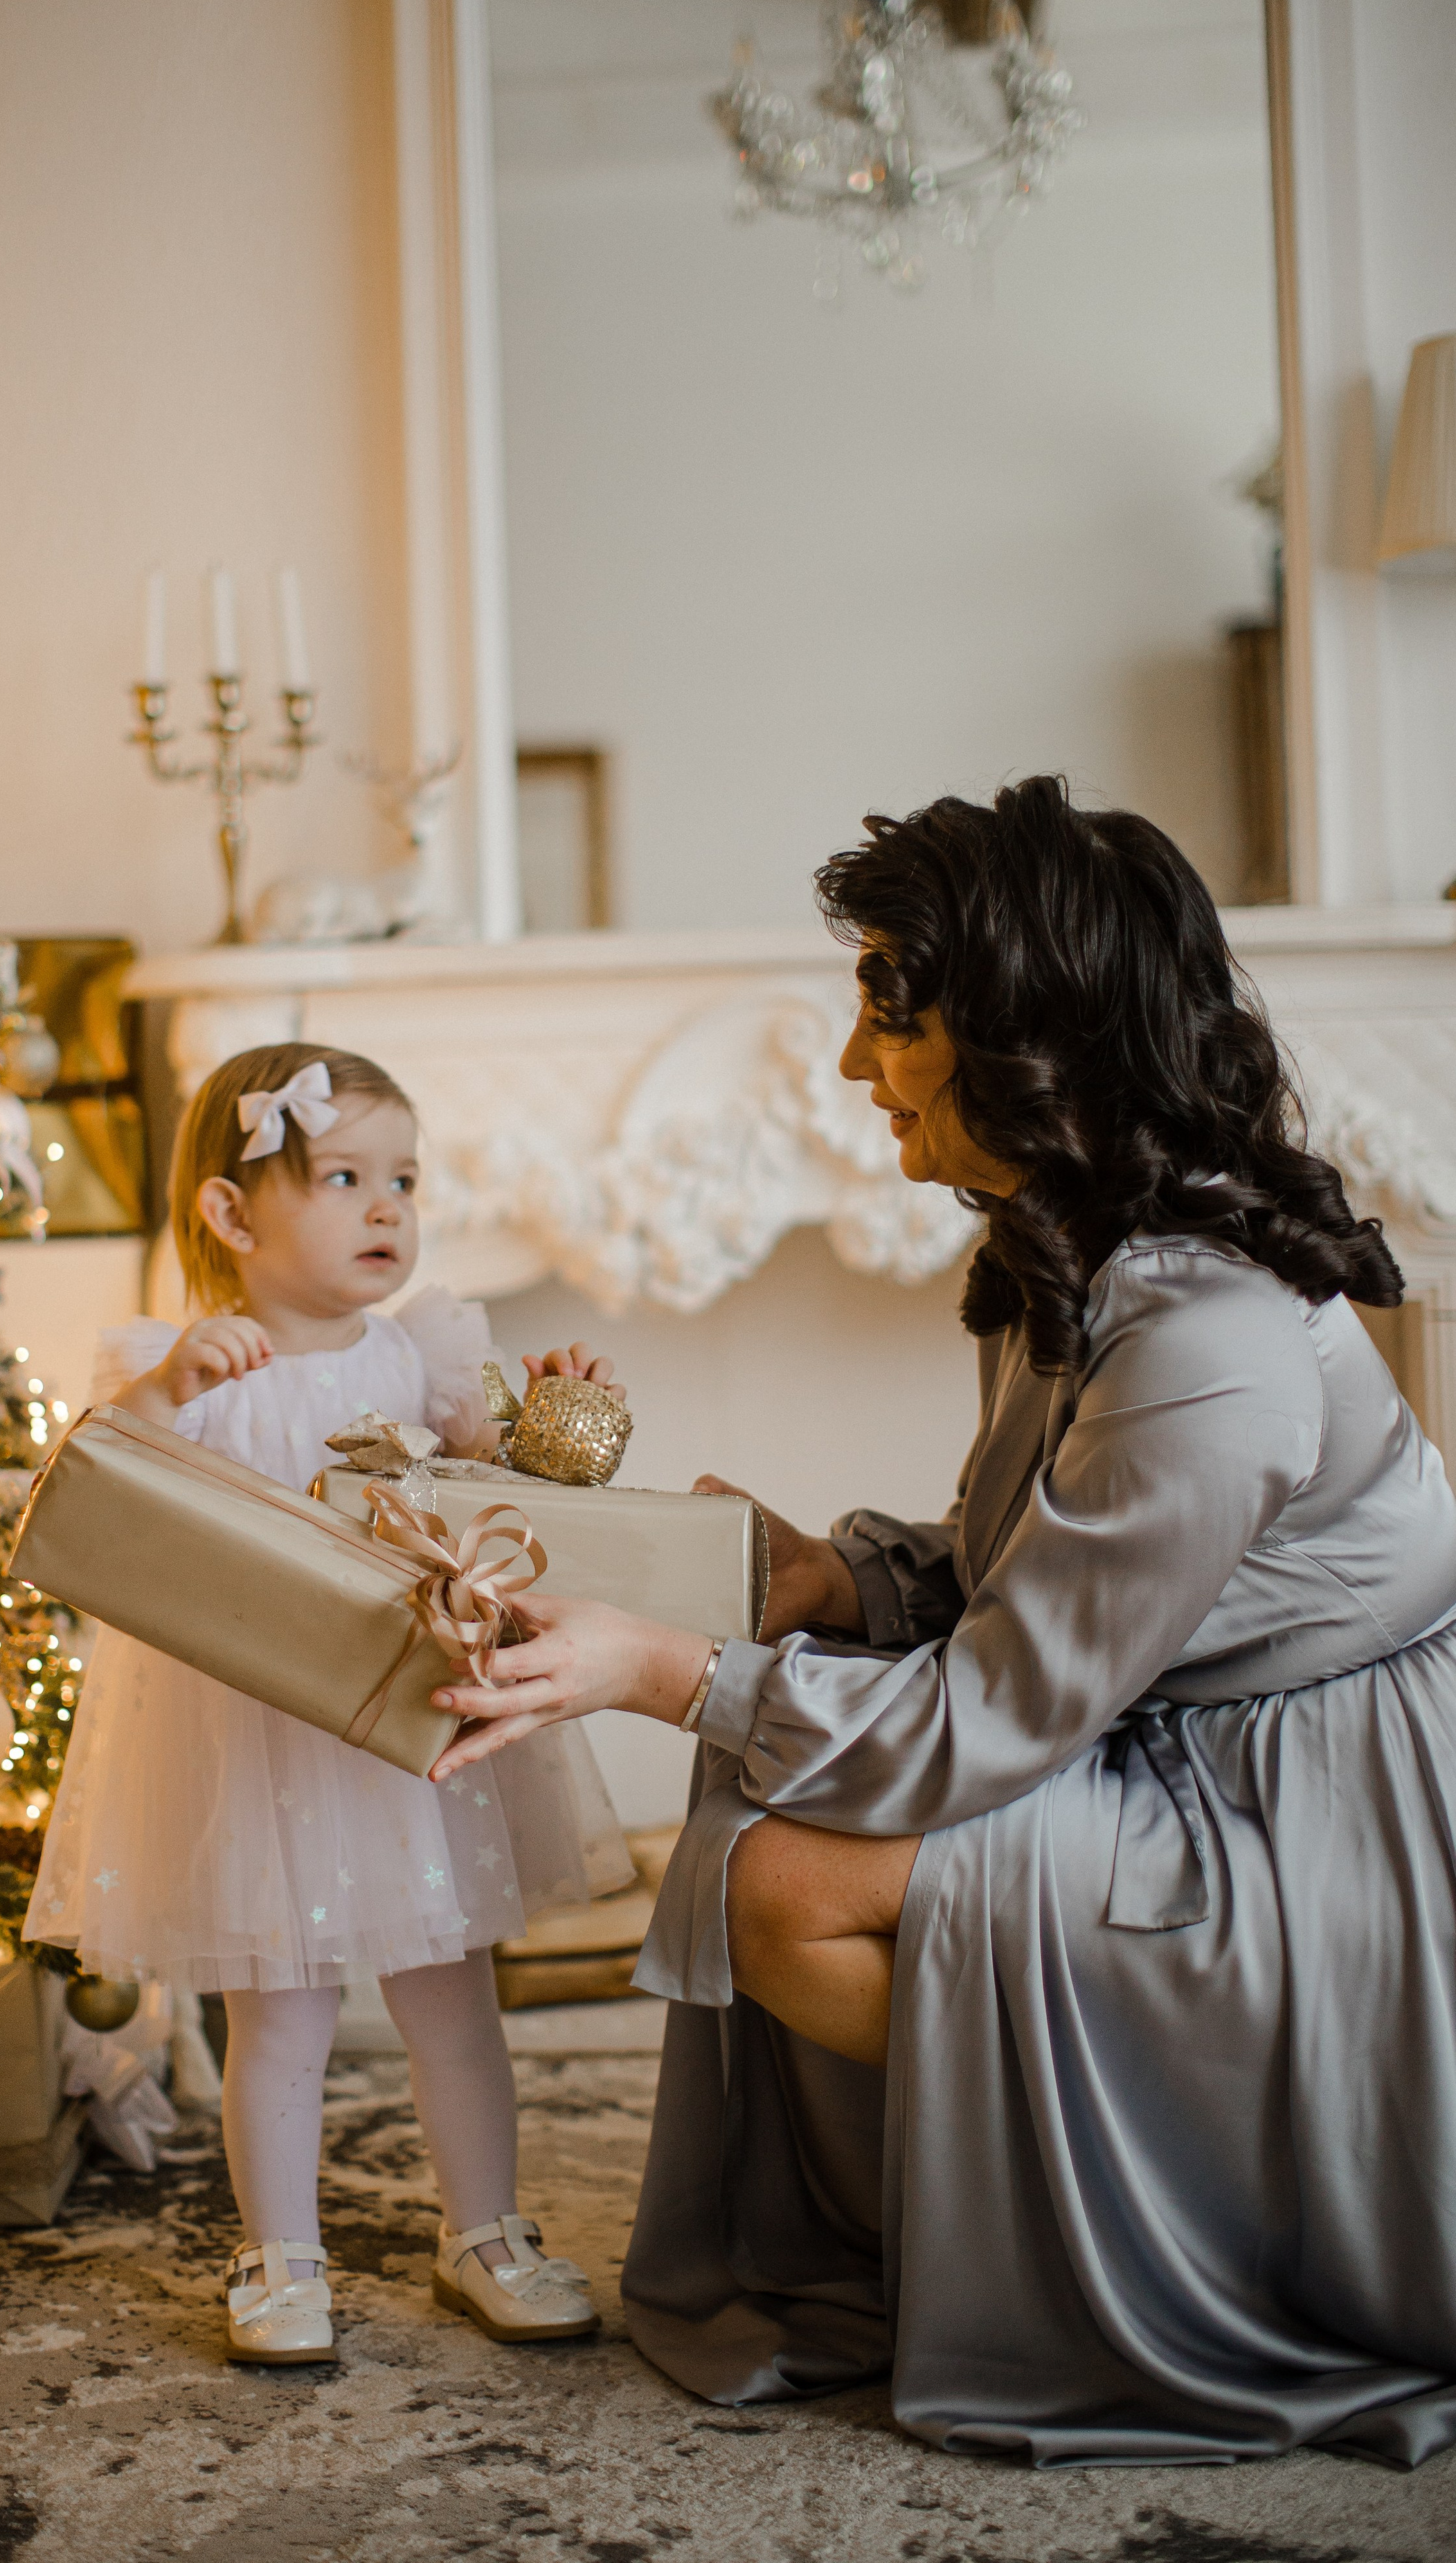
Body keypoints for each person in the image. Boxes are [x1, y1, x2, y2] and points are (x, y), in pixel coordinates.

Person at [426, 777, 1456, 2466]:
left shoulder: (1208, 1338)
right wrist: (832, 1582)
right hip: (1176, 1729)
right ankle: (1032, 2206)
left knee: (790, 1883)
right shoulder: (1085, 1232)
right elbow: (1047, 1569)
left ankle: (1143, 2223)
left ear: (1020, 1033)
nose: (853, 1070)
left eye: (887, 1023)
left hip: (1314, 1810)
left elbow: (998, 1713)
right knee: (783, 1789)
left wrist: (662, 1672)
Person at [26, 1042, 630, 2366]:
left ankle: (485, 2232)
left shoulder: (420, 1359)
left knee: (452, 1998)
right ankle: (281, 2256)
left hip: (405, 1733)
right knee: (282, 2017)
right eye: (345, 1176)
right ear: (234, 1217)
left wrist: (551, 1410)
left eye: (402, 1178)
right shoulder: (185, 1370)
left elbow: (499, 1488)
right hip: (255, 1746)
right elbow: (96, 1484)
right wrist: (169, 1387)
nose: (386, 1209)